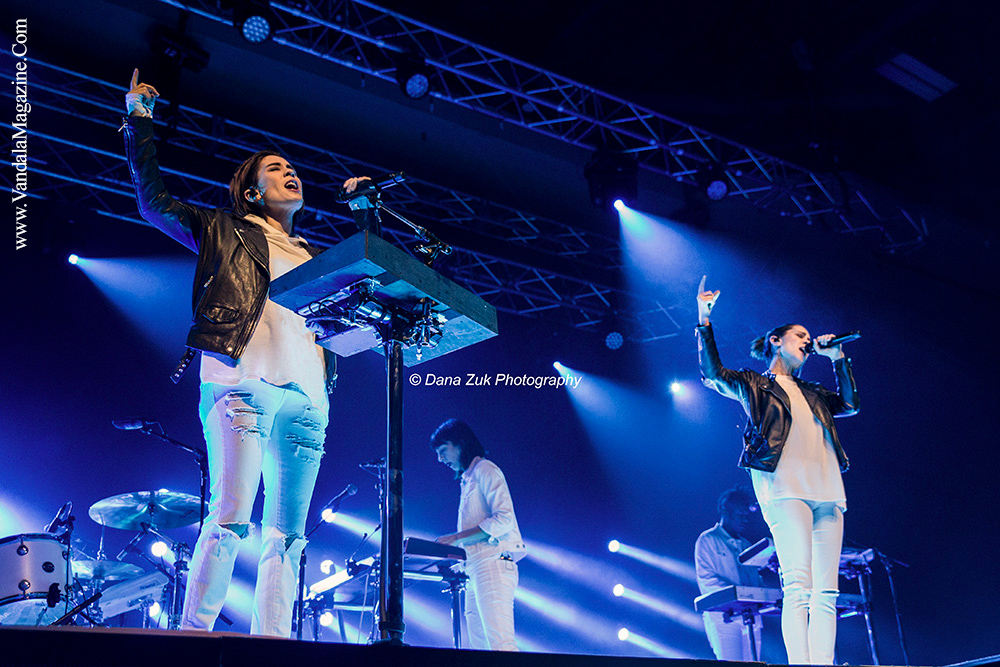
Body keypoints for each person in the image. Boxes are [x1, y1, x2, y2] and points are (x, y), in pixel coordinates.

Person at [122, 69, 375, 636]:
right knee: (232, 516)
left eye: (292, 167)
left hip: (308, 399)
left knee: (289, 536)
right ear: (253, 191)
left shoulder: (313, 255)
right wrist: (139, 120)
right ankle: (194, 635)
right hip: (242, 382)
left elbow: (370, 288)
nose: (290, 172)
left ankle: (274, 643)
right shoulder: (222, 229)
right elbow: (153, 203)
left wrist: (365, 214)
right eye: (276, 168)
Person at [695, 276, 859, 665]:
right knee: (799, 585)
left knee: (827, 591)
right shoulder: (755, 384)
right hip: (784, 488)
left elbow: (850, 405)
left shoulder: (813, 392)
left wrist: (838, 358)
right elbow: (713, 374)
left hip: (827, 488)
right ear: (775, 341)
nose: (807, 341)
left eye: (809, 338)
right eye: (800, 335)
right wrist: (704, 320)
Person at [430, 419, 526, 651]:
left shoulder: (485, 469)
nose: (440, 459)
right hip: (475, 568)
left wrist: (456, 538)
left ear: (460, 443)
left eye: (443, 450)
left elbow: (504, 519)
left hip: (494, 562)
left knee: (501, 646)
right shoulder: (468, 479)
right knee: (480, 650)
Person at [694, 487, 764, 661]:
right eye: (740, 514)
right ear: (726, 511)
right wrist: (740, 597)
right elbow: (707, 580)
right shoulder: (708, 539)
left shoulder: (747, 545)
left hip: (751, 617)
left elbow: (756, 580)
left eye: (746, 515)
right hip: (724, 619)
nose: (745, 519)